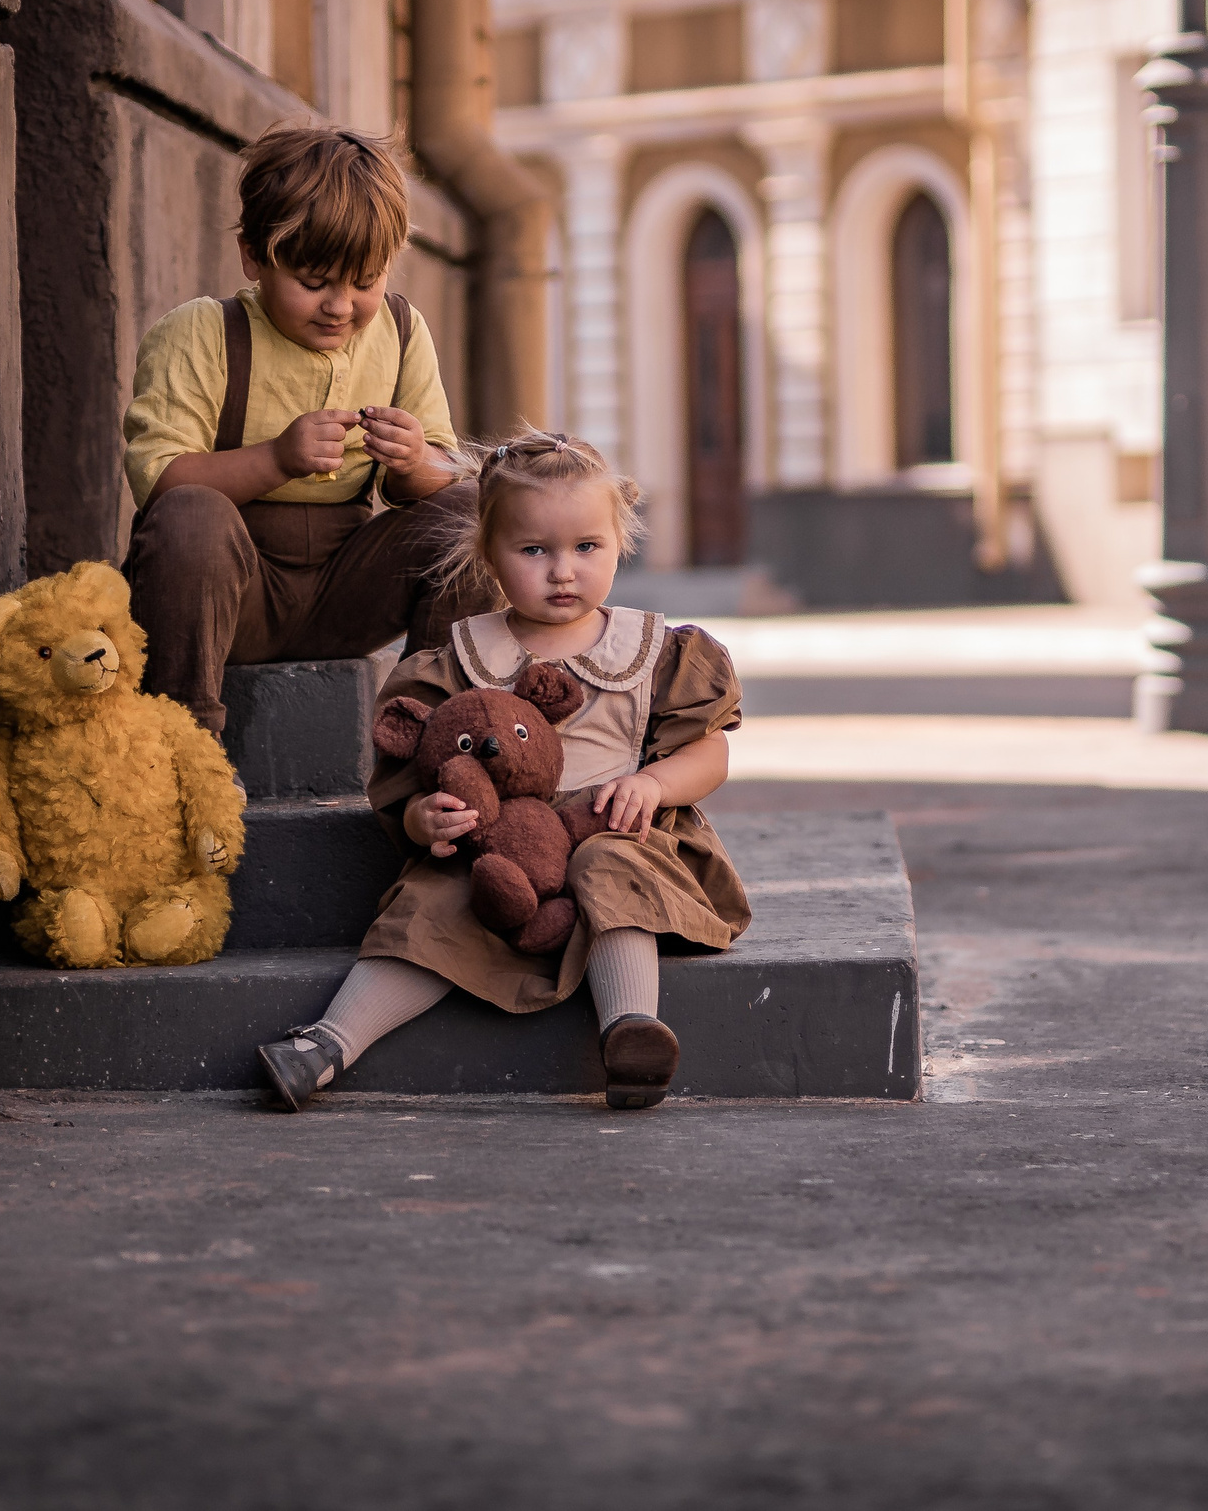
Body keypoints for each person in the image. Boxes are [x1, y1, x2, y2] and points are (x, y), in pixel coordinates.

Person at [255, 430, 752, 1111]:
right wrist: (423, 817)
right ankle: (327, 1045)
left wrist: (654, 783)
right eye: (533, 551)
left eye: (586, 547)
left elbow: (711, 750)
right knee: (432, 900)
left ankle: (629, 1031)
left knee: (611, 867)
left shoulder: (653, 651)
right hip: (497, 852)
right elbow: (409, 774)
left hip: (613, 827)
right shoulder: (459, 658)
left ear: (620, 541)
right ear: (488, 553)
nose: (562, 571)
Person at [120, 124, 490, 735]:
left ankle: (434, 729)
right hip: (231, 597)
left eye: (365, 282)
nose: (340, 306)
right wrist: (275, 459)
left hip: (344, 588)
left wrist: (413, 460)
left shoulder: (399, 331)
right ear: (253, 256)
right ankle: (187, 744)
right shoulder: (203, 334)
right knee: (190, 516)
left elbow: (441, 476)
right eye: (314, 283)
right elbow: (161, 480)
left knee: (472, 517)